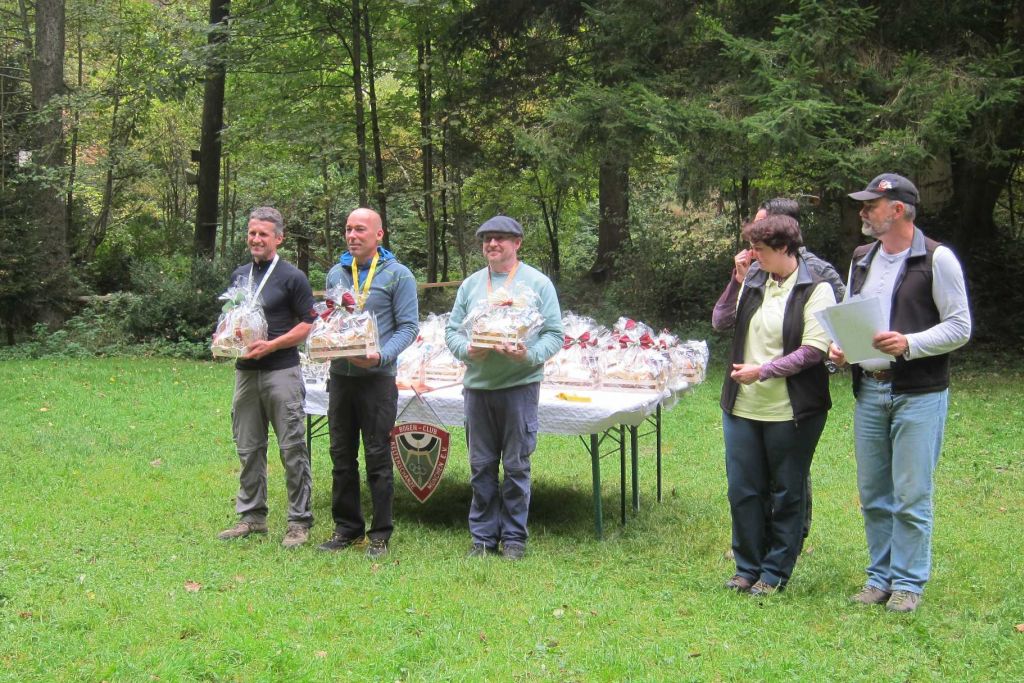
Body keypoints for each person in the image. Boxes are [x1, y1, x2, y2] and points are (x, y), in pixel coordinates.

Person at [833, 173, 971, 613]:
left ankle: (908, 583)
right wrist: (842, 348)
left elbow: (960, 326)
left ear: (897, 210)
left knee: (911, 494)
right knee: (874, 493)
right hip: (870, 393)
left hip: (919, 394)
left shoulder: (937, 259)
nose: (863, 211)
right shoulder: (861, 259)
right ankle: (880, 578)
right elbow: (854, 318)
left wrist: (909, 343)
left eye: (870, 205)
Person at [712, 214, 836, 595]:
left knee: (786, 491)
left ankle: (774, 572)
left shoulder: (816, 288)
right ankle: (746, 567)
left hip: (792, 410)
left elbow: (813, 351)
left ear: (784, 248)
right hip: (742, 407)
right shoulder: (754, 281)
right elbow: (720, 321)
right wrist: (736, 282)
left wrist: (763, 371)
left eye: (760, 249)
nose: (753, 256)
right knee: (743, 490)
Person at [444, 216, 563, 561]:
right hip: (478, 389)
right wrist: (468, 350)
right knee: (481, 466)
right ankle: (482, 538)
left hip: (519, 387)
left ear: (517, 243)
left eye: (500, 238)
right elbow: (452, 332)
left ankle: (513, 538)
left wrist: (529, 355)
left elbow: (554, 334)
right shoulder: (470, 285)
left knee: (516, 465)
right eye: (487, 239)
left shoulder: (538, 284)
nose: (492, 244)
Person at [738, 197, 846, 543]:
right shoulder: (760, 270)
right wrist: (738, 281)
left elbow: (840, 321)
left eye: (761, 228)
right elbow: (726, 319)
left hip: (798, 394)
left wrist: (832, 357)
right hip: (756, 398)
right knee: (758, 475)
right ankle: (763, 538)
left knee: (792, 475)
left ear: (783, 232)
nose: (753, 245)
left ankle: (794, 537)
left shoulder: (819, 274)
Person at [317, 208, 419, 559]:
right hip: (341, 378)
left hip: (377, 380)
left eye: (360, 229)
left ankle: (380, 534)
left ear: (379, 235)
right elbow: (331, 319)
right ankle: (347, 528)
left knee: (377, 456)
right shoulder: (336, 272)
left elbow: (409, 327)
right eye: (348, 229)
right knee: (341, 456)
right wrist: (326, 342)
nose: (352, 235)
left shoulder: (398, 275)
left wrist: (381, 357)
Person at [217, 206, 317, 548]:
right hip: (246, 373)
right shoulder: (239, 275)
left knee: (292, 448)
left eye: (263, 234)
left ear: (279, 238)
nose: (256, 239)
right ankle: (252, 517)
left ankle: (299, 521)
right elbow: (231, 319)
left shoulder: (292, 277)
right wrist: (224, 339)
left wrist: (272, 344)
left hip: (281, 372)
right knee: (248, 447)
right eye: (252, 233)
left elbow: (309, 324)